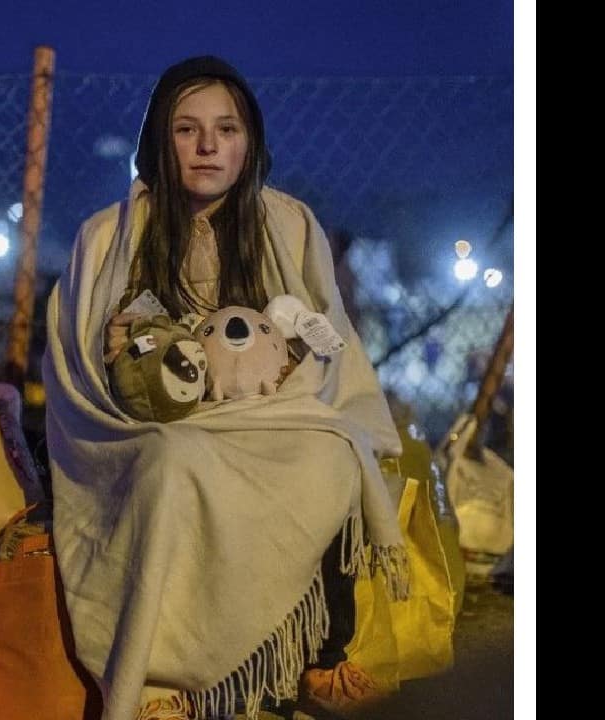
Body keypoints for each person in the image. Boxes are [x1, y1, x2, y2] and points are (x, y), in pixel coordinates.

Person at [42, 57, 407, 720]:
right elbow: (77, 365)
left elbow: (330, 344)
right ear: (160, 139)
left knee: (331, 457)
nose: (208, 146)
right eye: (187, 129)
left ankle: (320, 656)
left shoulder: (288, 223)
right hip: (159, 427)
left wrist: (287, 376)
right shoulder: (107, 237)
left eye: (226, 129)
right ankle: (162, 679)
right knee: (174, 464)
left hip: (271, 416)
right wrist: (118, 355)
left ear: (249, 142)